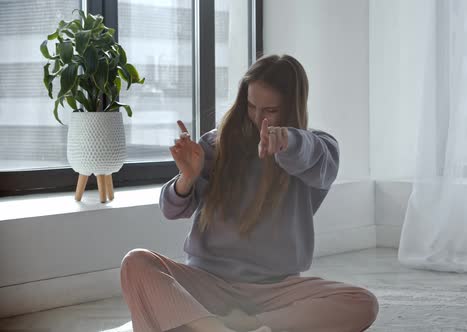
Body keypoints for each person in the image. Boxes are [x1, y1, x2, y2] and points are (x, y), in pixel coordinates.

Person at [120, 54, 379, 332]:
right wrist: (187, 177)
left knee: (361, 302)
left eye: (270, 110)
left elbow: (311, 156)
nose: (257, 118)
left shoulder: (318, 147)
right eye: (251, 106)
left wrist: (288, 141)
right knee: (136, 262)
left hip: (274, 291)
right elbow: (171, 210)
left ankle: (231, 325)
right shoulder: (215, 144)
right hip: (207, 283)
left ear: (292, 106)